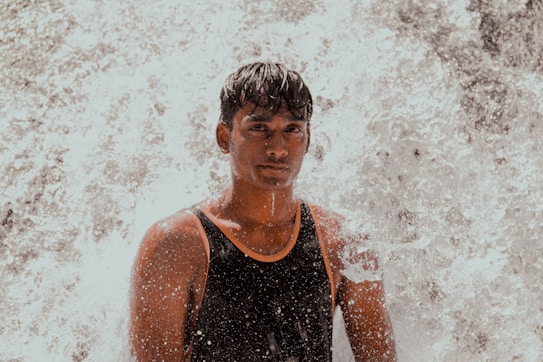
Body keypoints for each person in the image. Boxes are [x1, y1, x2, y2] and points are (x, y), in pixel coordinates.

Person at [129, 62, 397, 361]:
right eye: (259, 128)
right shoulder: (176, 244)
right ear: (223, 137)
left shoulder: (345, 243)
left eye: (292, 130)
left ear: (307, 140)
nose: (278, 148)